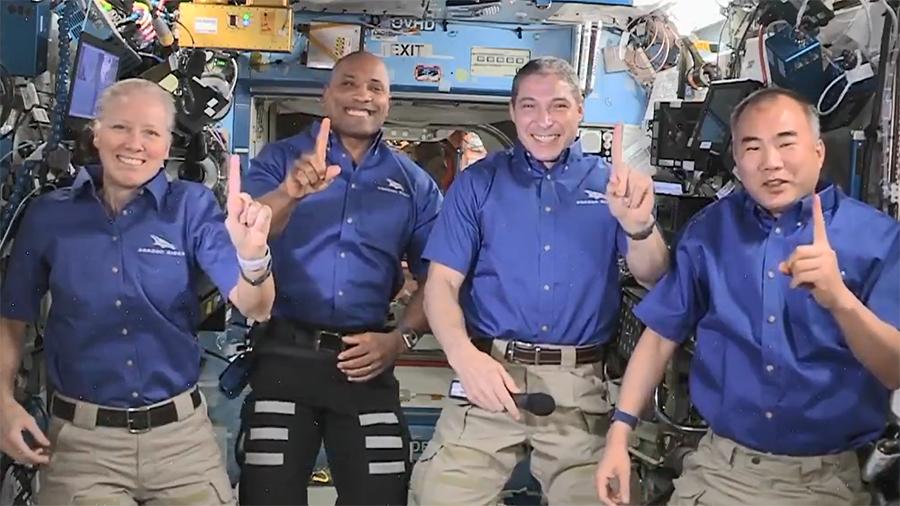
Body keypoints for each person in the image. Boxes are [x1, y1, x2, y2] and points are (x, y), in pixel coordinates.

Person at [595, 87, 900, 506]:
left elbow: (894, 371)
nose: (770, 162)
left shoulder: (878, 239)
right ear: (737, 162)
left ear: (818, 152)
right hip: (721, 469)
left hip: (827, 480)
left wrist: (840, 301)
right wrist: (619, 432)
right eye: (752, 147)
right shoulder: (710, 231)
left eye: (786, 143)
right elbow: (662, 334)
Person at [0, 78, 275, 505]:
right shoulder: (49, 216)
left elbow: (255, 305)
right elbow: (12, 315)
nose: (135, 143)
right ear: (96, 133)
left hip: (181, 444)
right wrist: (2, 401)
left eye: (151, 132)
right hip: (82, 447)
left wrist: (254, 258)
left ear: (167, 145)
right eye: (120, 127)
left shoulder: (191, 207)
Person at [410, 56, 669, 505]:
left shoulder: (612, 185)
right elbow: (441, 285)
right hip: (491, 374)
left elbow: (654, 277)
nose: (544, 120)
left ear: (580, 110)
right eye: (530, 106)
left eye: (559, 106)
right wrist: (463, 357)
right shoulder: (478, 184)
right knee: (438, 497)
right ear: (513, 112)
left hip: (580, 388)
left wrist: (639, 226)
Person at [238, 51, 442, 506]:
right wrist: (289, 193)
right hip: (285, 357)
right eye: (348, 83)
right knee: (267, 498)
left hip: (366, 364)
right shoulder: (281, 160)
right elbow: (247, 233)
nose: (362, 96)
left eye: (375, 88)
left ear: (388, 102)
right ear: (326, 95)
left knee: (382, 497)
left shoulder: (413, 184)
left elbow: (439, 277)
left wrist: (400, 341)